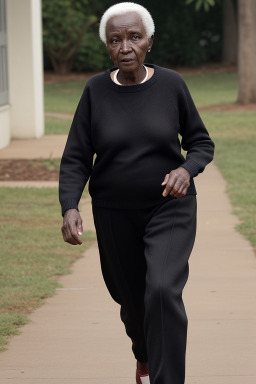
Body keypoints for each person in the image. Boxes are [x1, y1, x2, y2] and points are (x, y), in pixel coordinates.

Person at [59, 2, 215, 384]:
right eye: (116, 40)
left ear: (149, 43)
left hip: (170, 207)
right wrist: (70, 206)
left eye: (134, 37)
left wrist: (185, 169)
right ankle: (143, 358)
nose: (125, 46)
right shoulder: (95, 90)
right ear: (108, 48)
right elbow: (77, 156)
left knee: (161, 291)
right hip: (114, 211)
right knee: (131, 302)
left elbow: (201, 144)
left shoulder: (172, 84)